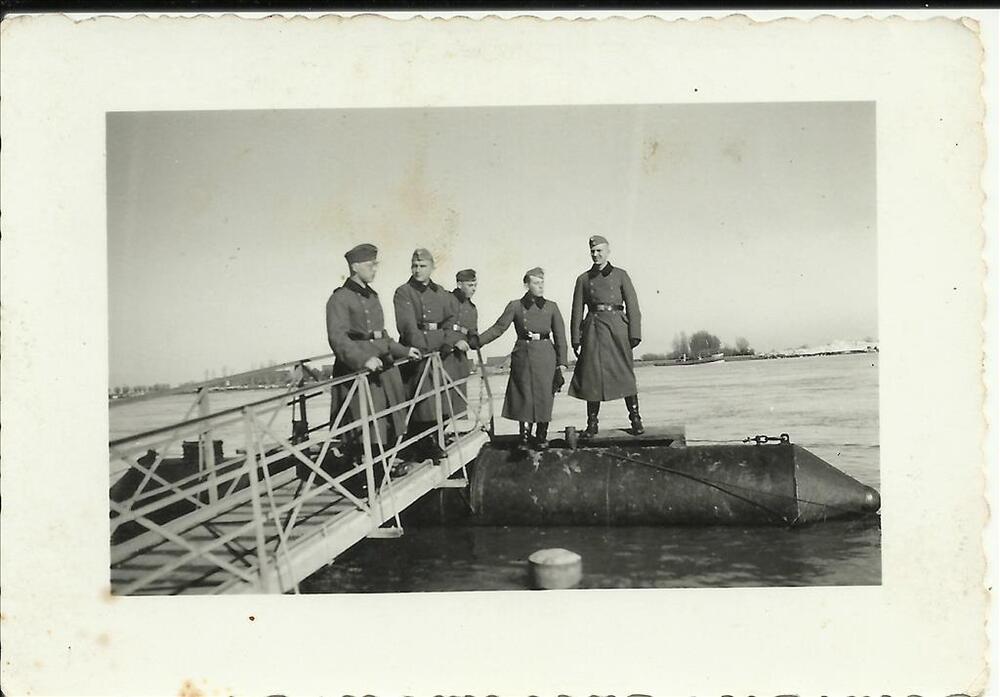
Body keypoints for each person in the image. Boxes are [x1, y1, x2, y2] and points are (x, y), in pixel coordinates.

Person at [325, 243, 421, 472]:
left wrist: (404, 350)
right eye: (370, 265)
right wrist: (362, 360)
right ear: (355, 267)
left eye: (376, 265)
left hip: (383, 367)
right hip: (360, 371)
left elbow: (381, 336)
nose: (375, 269)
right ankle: (368, 471)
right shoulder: (339, 298)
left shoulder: (372, 296)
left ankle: (384, 464)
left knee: (386, 418)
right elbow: (337, 338)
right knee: (365, 422)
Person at [478, 267, 568, 449]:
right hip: (523, 356)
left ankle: (541, 437)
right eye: (536, 283)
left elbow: (560, 337)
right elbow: (498, 328)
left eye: (542, 282)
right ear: (527, 285)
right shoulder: (515, 306)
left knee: (545, 395)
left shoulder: (552, 307)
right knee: (524, 395)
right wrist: (477, 341)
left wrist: (562, 363)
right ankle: (525, 438)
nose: (541, 286)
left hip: (545, 356)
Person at [393, 248, 468, 459]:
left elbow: (451, 320)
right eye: (414, 266)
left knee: (445, 396)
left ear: (432, 267)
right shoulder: (404, 292)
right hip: (419, 353)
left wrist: (447, 342)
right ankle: (426, 443)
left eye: (422, 266)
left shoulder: (441, 293)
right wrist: (427, 348)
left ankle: (434, 437)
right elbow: (408, 327)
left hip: (439, 352)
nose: (417, 270)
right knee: (423, 400)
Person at [568, 235, 644, 436]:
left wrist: (634, 334)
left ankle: (635, 419)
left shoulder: (621, 275)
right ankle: (592, 423)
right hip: (593, 330)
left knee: (625, 373)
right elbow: (577, 311)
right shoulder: (583, 279)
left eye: (599, 251)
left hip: (617, 329)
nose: (596, 254)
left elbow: (633, 306)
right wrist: (576, 339)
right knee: (592, 375)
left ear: (608, 251)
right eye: (593, 251)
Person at [442, 268, 481, 422]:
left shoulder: (472, 308)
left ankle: (460, 426)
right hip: (444, 355)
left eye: (475, 285)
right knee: (444, 397)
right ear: (459, 284)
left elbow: (473, 331)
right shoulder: (447, 300)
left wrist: (474, 339)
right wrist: (454, 341)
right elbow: (440, 326)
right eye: (470, 285)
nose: (474, 289)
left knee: (460, 397)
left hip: (459, 359)